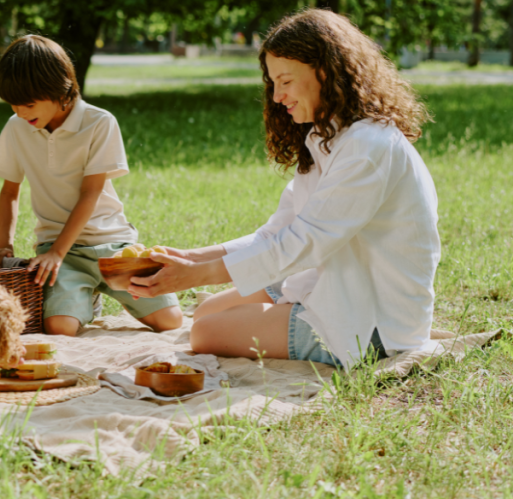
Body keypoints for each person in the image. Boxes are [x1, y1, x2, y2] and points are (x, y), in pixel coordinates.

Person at [128, 9, 439, 369]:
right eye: (273, 83)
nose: (277, 96)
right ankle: (287, 307)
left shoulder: (368, 147)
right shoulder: (325, 136)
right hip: (329, 282)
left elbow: (306, 241)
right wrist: (191, 258)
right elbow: (278, 232)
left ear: (325, 70)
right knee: (206, 310)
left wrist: (197, 275)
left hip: (371, 323)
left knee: (205, 332)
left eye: (286, 81)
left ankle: (297, 316)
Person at [0, 35, 183, 337]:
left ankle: (93, 290)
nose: (20, 112)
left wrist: (57, 255)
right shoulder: (16, 127)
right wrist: (5, 245)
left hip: (113, 246)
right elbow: (10, 191)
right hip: (59, 250)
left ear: (59, 90)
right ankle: (84, 294)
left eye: (28, 103)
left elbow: (90, 194)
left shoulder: (99, 123)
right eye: (13, 104)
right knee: (60, 328)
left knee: (170, 321)